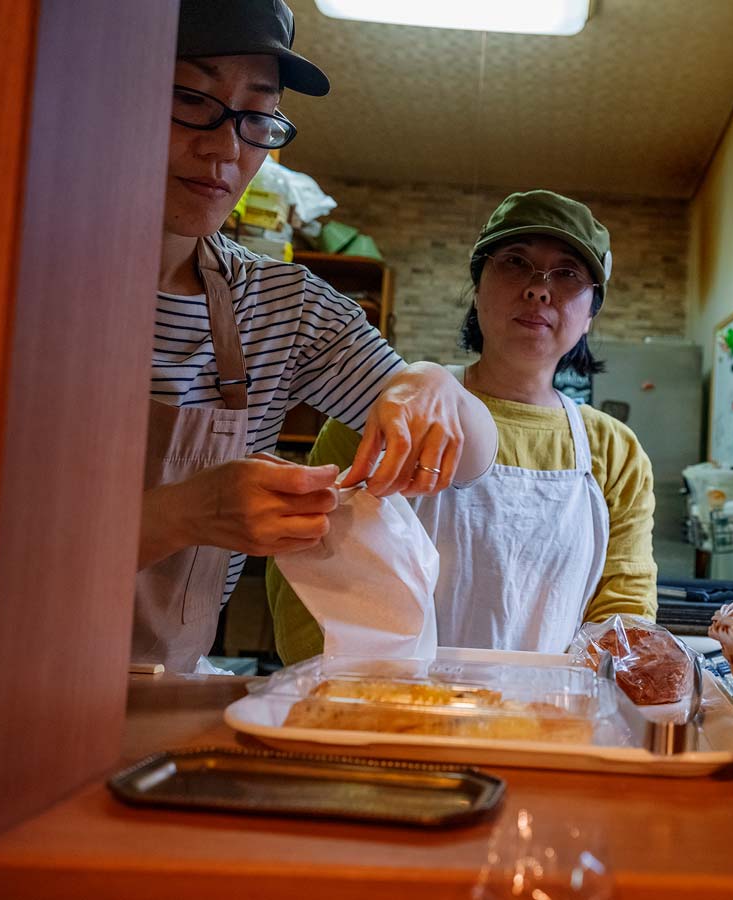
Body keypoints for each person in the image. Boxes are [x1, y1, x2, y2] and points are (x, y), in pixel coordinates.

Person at [136, 0, 496, 672]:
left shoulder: (280, 305)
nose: (226, 148)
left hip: (162, 695)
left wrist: (435, 386)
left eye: (255, 116)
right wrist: (184, 512)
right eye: (192, 98)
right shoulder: (23, 283)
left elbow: (474, 458)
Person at [268, 190, 659, 660]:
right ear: (478, 288)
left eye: (568, 273)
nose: (538, 289)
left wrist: (581, 711)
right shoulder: (389, 409)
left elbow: (625, 608)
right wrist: (348, 707)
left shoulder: (613, 450)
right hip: (391, 714)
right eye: (515, 262)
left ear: (591, 312)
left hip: (553, 718)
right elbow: (310, 574)